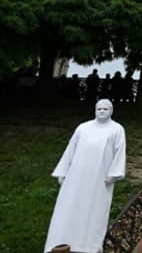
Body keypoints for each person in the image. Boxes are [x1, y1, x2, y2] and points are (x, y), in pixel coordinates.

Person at [45, 99, 126, 253]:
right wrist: (63, 172)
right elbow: (70, 150)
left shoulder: (117, 129)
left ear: (111, 110)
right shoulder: (83, 128)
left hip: (99, 180)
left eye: (105, 109)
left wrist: (113, 174)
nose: (102, 111)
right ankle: (59, 242)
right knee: (67, 208)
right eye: (99, 108)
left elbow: (119, 151)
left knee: (94, 212)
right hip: (75, 179)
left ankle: (88, 246)